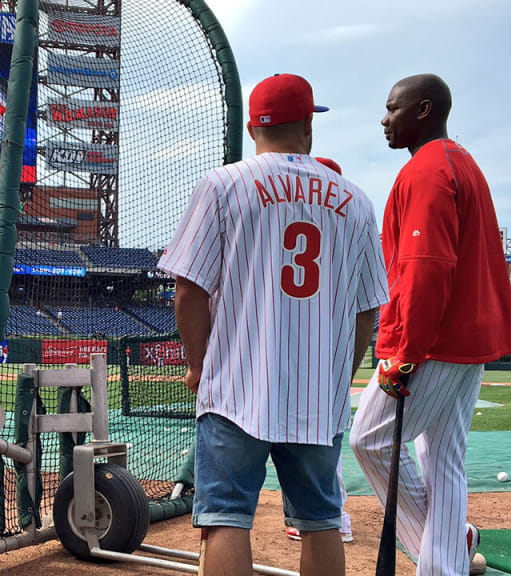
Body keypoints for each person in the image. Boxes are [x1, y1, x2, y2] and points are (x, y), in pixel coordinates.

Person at [159, 73, 387, 576]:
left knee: (225, 521)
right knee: (322, 520)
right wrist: (339, 375)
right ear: (308, 126)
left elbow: (188, 292)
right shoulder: (357, 201)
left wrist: (199, 368)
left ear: (251, 127)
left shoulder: (223, 185)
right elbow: (367, 308)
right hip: (316, 397)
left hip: (236, 390)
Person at [350, 74, 511, 576]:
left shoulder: (428, 171)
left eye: (392, 109)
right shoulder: (461, 162)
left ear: (423, 110)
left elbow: (426, 267)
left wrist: (405, 352)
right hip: (470, 338)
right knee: (443, 457)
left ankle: (441, 549)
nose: (384, 120)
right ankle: (445, 557)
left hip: (436, 339)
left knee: (370, 440)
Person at [282, 156, 355, 545]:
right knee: (326, 450)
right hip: (325, 366)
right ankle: (332, 518)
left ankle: (334, 518)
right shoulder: (347, 219)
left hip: (280, 364)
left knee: (227, 513)